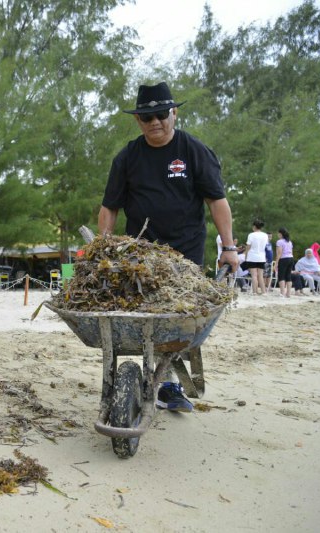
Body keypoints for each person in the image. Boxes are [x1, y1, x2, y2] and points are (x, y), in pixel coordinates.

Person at [98, 81, 238, 413]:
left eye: (162, 114)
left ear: (174, 113)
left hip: (185, 255)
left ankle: (170, 385)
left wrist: (229, 247)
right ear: (138, 121)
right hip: (141, 257)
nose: (156, 122)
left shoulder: (193, 151)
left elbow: (217, 202)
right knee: (144, 317)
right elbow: (109, 208)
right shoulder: (128, 157)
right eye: (148, 117)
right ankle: (141, 380)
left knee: (176, 320)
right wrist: (102, 248)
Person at [242, 219, 269, 295]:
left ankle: (255, 291)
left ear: (254, 226)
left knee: (254, 275)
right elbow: (266, 246)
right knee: (260, 275)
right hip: (261, 257)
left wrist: (246, 256)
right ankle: (264, 292)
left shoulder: (251, 235)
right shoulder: (265, 235)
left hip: (252, 256)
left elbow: (248, 247)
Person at [274, 228, 294, 298]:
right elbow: (291, 251)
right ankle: (288, 293)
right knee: (288, 276)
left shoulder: (279, 242)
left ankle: (282, 292)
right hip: (291, 258)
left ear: (280, 234)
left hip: (283, 259)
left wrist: (276, 263)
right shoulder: (289, 242)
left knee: (281, 276)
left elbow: (279, 253)